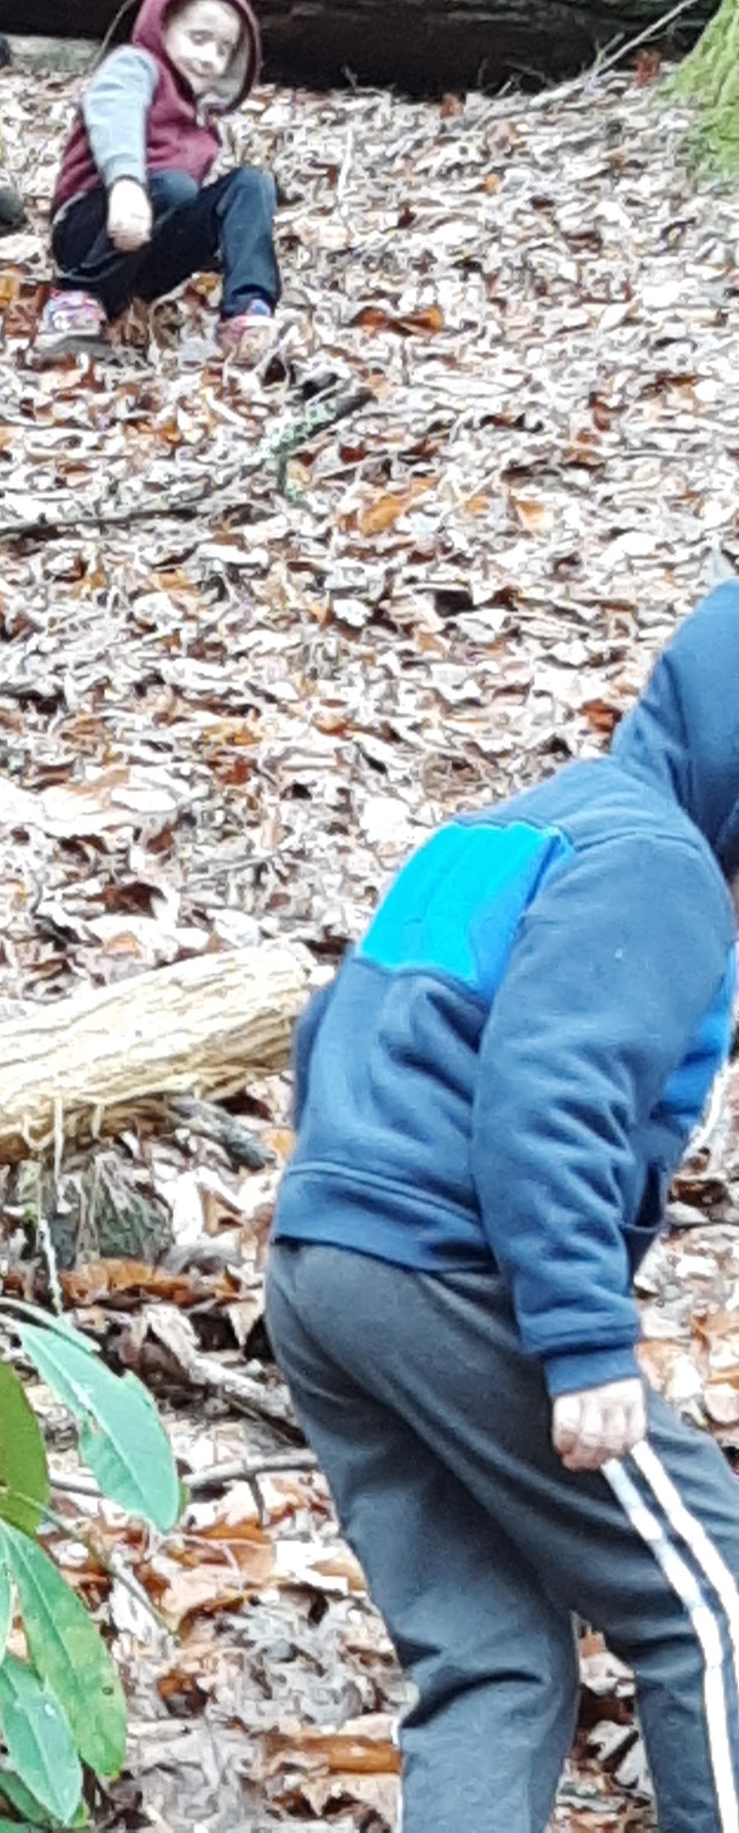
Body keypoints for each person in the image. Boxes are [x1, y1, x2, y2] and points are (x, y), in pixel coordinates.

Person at [267, 583, 739, 1832]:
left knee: (493, 1653)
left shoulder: (516, 827)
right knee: (712, 1594)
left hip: (322, 1263)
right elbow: (546, 1093)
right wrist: (582, 1336)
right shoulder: (660, 869)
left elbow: (330, 1028)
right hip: (440, 1263)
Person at [34, 0, 281, 371]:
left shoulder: (202, 117)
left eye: (223, 50)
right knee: (172, 187)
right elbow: (115, 114)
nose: (208, 59)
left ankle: (246, 316)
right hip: (93, 227)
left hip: (150, 244)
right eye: (198, 39)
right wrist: (126, 183)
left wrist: (222, 238)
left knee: (251, 185)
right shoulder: (136, 67)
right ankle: (75, 300)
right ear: (162, 27)